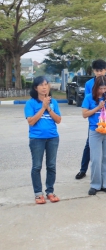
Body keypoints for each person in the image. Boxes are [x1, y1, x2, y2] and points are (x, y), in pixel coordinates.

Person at [76, 59, 106, 180]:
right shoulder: (89, 84)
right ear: (93, 71)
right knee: (89, 145)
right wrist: (98, 105)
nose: (99, 72)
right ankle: (83, 170)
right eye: (97, 70)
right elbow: (88, 100)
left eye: (101, 70)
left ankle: (105, 171)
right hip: (95, 119)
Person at [25, 76, 62, 204]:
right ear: (36, 88)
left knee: (51, 166)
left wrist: (48, 108)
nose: (44, 87)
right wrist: (42, 107)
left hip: (52, 137)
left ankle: (50, 192)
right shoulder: (31, 103)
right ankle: (38, 194)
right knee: (37, 166)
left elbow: (58, 120)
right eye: (41, 85)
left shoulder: (54, 102)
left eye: (46, 84)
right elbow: (31, 121)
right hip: (37, 139)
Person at [82, 76, 106, 195]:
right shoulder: (88, 98)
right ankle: (95, 185)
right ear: (96, 87)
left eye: (105, 88)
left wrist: (105, 108)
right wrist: (98, 107)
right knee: (96, 159)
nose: (103, 90)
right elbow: (85, 114)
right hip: (95, 132)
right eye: (101, 88)